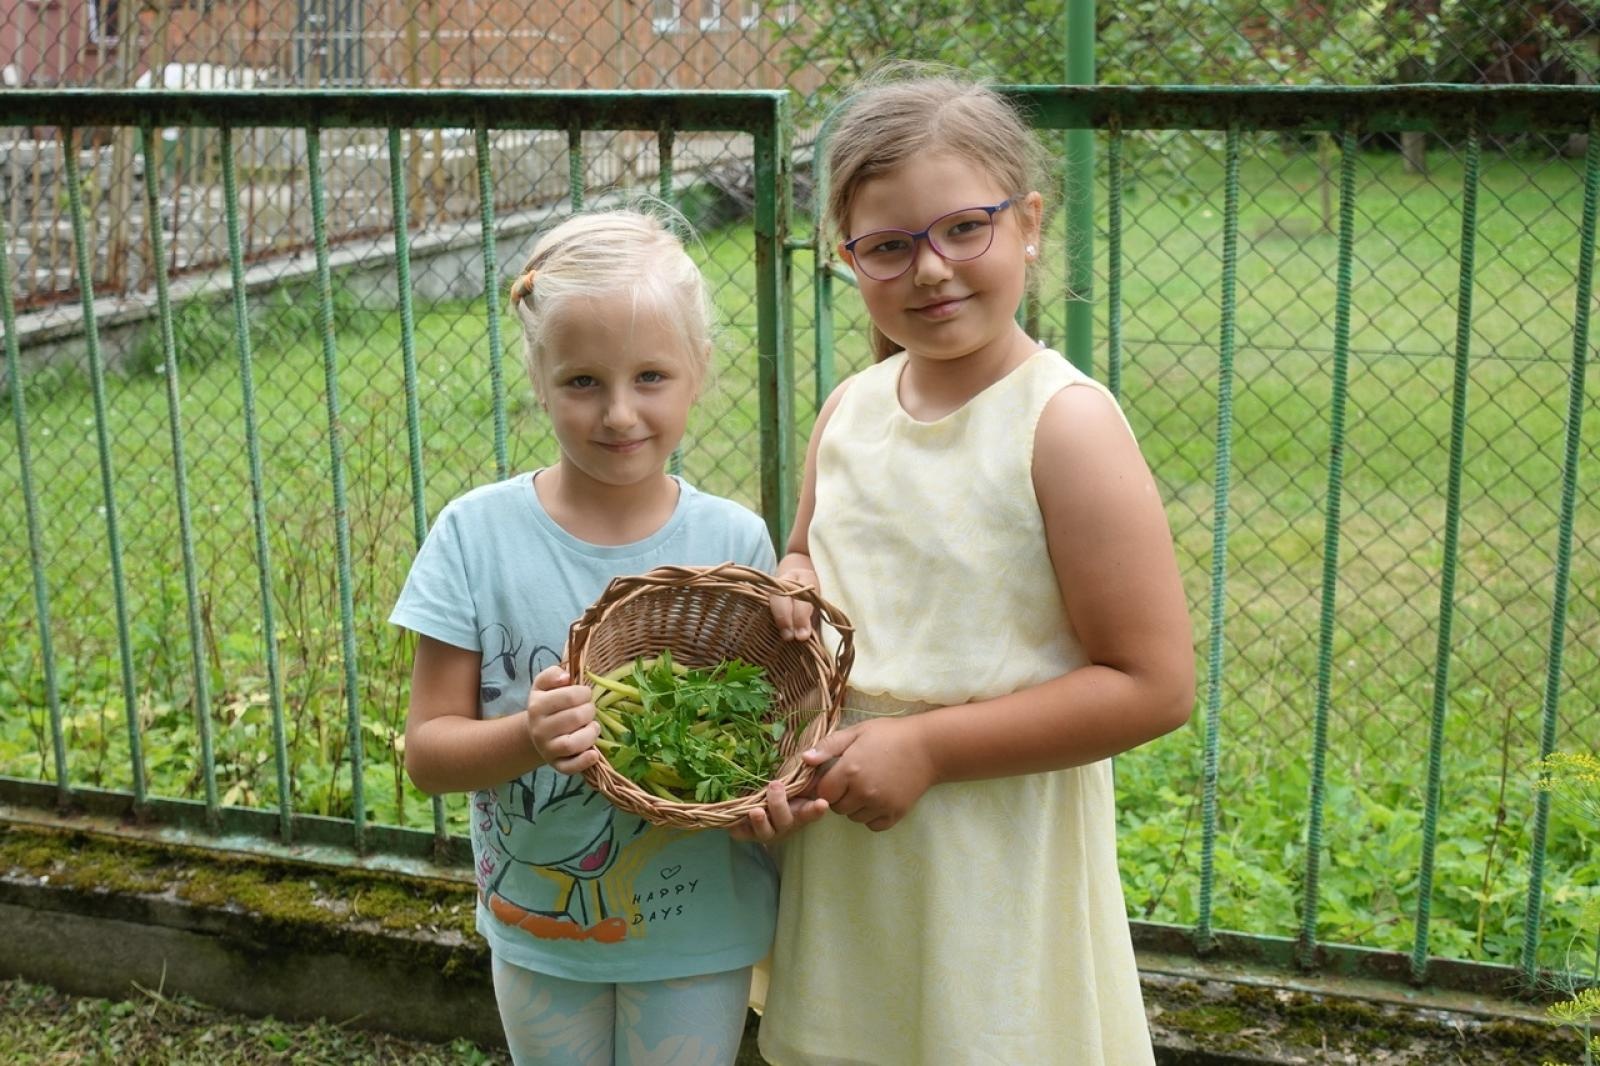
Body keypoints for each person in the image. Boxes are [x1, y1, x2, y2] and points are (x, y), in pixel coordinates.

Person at [759, 70, 1196, 1066]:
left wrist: (928, 749)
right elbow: (806, 552)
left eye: (965, 227)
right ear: (847, 260)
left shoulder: (1064, 425)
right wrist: (788, 582)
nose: (930, 270)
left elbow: (1154, 684)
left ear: (1029, 222)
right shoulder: (851, 408)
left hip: (991, 861)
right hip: (853, 858)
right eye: (888, 245)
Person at [391, 206, 821, 1065]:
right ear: (539, 379)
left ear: (699, 372)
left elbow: (763, 734)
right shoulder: (474, 535)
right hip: (539, 925)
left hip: (700, 926)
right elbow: (427, 753)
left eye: (652, 376)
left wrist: (765, 804)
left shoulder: (733, 543)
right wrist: (527, 736)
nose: (619, 413)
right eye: (583, 382)